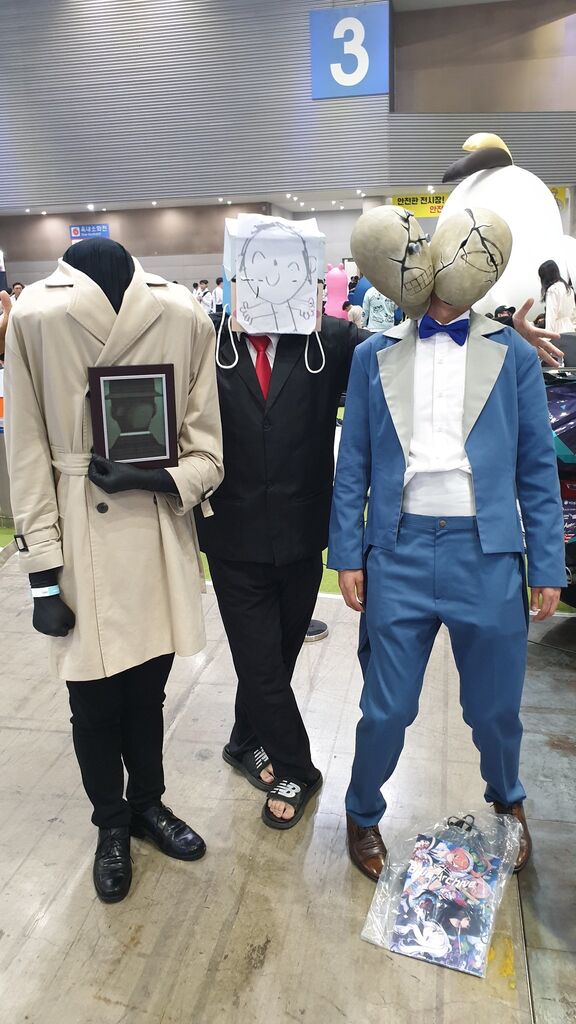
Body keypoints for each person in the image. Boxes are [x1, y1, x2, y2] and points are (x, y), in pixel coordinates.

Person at [329, 205, 565, 882]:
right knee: (386, 707)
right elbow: (352, 462)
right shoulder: (372, 355)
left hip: (486, 552)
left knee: (494, 708)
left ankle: (508, 799)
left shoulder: (512, 355)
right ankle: (362, 811)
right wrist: (347, 552)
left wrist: (546, 562)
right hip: (397, 550)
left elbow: (536, 467)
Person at [3, 238, 223, 904]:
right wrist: (43, 574)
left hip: (155, 530)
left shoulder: (182, 312)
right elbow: (27, 454)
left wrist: (150, 478)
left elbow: (208, 452)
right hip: (78, 533)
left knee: (148, 694)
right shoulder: (35, 315)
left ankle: (149, 804)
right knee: (93, 704)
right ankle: (111, 823)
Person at [195, 213, 370, 831]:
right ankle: (298, 766)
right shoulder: (202, 342)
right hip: (232, 536)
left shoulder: (332, 341)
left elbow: (400, 357)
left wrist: (493, 330)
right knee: (261, 665)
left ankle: (244, 739)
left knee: (277, 658)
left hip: (301, 536)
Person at [538, 259, 576, 334]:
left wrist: (548, 336)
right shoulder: (569, 289)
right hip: (571, 330)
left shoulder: (552, 290)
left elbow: (551, 317)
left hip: (558, 331)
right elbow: (574, 314)